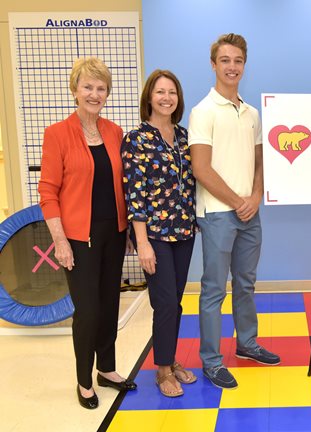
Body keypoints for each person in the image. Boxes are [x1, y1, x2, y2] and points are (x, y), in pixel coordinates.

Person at [38, 57, 136, 410]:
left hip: (114, 233)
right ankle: (84, 381)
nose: (94, 94)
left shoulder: (114, 132)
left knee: (110, 305)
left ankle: (106, 370)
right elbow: (48, 192)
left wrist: (126, 230)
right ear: (75, 90)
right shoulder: (57, 134)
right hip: (78, 238)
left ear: (107, 93)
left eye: (101, 88)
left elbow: (120, 185)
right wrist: (60, 240)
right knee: (88, 311)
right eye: (88, 87)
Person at [189, 33, 280, 390]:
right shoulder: (202, 111)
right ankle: (211, 360)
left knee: (246, 284)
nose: (232, 66)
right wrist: (237, 201)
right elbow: (202, 169)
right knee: (214, 289)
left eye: (237, 61)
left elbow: (260, 162)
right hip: (216, 214)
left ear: (244, 65)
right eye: (225, 60)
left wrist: (255, 197)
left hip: (249, 213)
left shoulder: (252, 113)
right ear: (214, 65)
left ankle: (247, 344)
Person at [122, 69, 197, 397]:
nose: (167, 98)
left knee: (175, 302)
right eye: (160, 92)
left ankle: (170, 358)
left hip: (184, 230)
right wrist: (142, 243)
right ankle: (162, 370)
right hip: (153, 234)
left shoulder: (183, 136)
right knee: (165, 302)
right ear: (149, 97)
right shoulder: (136, 138)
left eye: (172, 92)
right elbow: (134, 193)